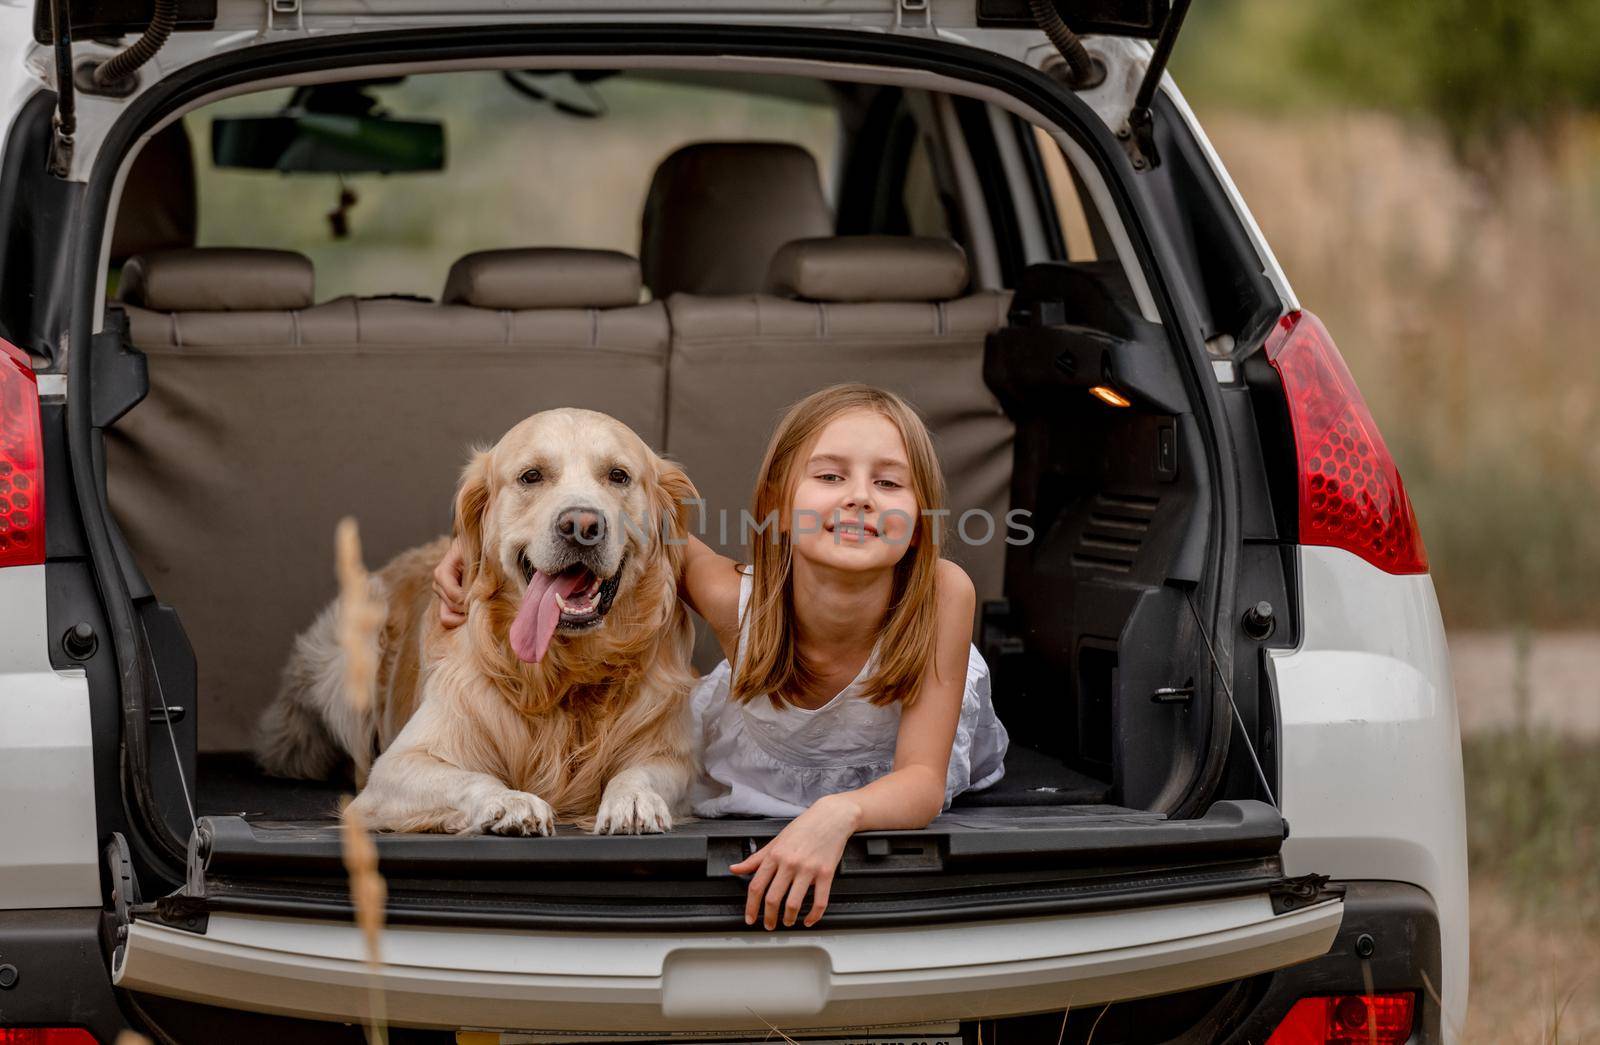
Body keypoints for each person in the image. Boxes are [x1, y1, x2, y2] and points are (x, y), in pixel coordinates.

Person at [433, 384, 1007, 929]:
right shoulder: (734, 599)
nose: (859, 496)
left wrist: (836, 816)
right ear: (778, 507)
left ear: (920, 522)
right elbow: (624, 527)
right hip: (759, 767)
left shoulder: (941, 592)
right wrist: (470, 544)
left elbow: (921, 782)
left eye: (888, 483)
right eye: (830, 476)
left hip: (891, 789)